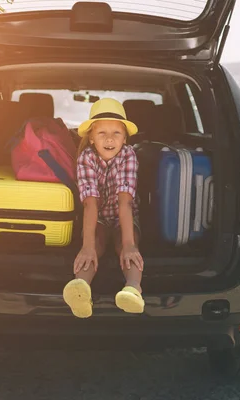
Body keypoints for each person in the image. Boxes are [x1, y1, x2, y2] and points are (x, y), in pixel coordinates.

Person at [62, 98, 144, 318]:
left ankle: (134, 288)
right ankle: (80, 288)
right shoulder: (86, 158)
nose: (109, 139)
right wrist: (87, 245)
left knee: (127, 246)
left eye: (116, 133)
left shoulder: (128, 156)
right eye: (102, 133)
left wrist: (129, 244)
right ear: (91, 138)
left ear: (125, 137)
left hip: (123, 217)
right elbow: (90, 203)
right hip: (96, 216)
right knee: (93, 245)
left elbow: (124, 202)